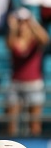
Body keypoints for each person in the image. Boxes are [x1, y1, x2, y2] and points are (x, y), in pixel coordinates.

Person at [6, 7, 50, 136]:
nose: (23, 24)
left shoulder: (35, 40)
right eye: (20, 21)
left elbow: (45, 39)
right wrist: (13, 27)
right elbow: (9, 44)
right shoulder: (13, 38)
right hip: (16, 83)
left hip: (34, 83)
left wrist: (33, 22)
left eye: (25, 21)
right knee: (11, 121)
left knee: (34, 123)